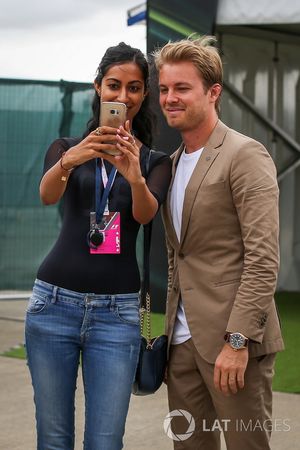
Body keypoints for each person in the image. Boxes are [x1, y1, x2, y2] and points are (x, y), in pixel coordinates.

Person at [25, 42, 171, 450]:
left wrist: (134, 175)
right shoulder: (66, 146)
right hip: (53, 304)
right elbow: (46, 195)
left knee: (106, 442)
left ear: (144, 95)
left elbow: (145, 215)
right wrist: (72, 159)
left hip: (117, 314)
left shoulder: (155, 161)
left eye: (134, 88)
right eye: (114, 85)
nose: (122, 97)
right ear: (97, 87)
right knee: (53, 439)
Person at [154, 36, 284, 450]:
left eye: (181, 88)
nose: (169, 98)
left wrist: (238, 340)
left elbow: (263, 260)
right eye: (164, 89)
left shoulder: (245, 155)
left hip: (232, 347)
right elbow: (179, 257)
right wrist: (167, 335)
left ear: (213, 93)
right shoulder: (171, 165)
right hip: (180, 346)